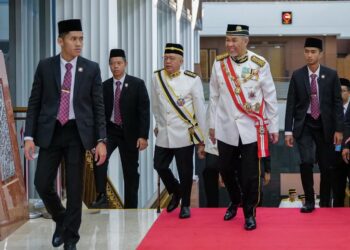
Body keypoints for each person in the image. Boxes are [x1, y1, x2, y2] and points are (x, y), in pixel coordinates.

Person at [24, 19, 107, 250]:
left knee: (74, 187)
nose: (79, 43)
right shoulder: (45, 66)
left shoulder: (91, 68)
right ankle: (61, 219)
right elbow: (35, 103)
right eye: (73, 39)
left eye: (81, 39)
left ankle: (71, 238)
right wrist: (28, 137)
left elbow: (99, 107)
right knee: (41, 182)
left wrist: (101, 140)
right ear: (60, 41)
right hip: (50, 132)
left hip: (76, 134)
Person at [208, 24, 279, 230]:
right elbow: (213, 97)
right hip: (225, 127)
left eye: (234, 40)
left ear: (246, 42)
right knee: (224, 169)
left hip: (251, 129)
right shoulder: (219, 64)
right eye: (227, 40)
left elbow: (270, 96)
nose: (230, 45)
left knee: (250, 175)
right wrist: (211, 125)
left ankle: (249, 212)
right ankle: (235, 199)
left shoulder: (259, 63)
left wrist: (273, 126)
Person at [285, 37, 343, 212]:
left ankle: (325, 201)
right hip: (305, 125)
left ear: (320, 54)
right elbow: (290, 104)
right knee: (306, 161)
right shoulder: (298, 75)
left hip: (326, 126)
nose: (309, 55)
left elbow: (337, 103)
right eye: (307, 51)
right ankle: (309, 201)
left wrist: (339, 129)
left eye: (313, 52)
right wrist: (288, 131)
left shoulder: (331, 75)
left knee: (326, 166)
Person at [90, 49, 150, 209]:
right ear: (109, 65)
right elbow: (99, 112)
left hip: (129, 133)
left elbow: (144, 111)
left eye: (119, 63)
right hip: (110, 131)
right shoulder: (104, 86)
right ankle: (101, 195)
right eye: (112, 64)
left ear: (125, 64)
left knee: (130, 171)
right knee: (99, 158)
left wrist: (143, 136)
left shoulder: (137, 84)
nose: (115, 67)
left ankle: (131, 206)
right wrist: (98, 137)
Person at [152, 43, 206, 219]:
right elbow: (155, 105)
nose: (167, 61)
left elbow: (199, 109)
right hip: (164, 132)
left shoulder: (192, 79)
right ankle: (175, 191)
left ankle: (186, 205)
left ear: (181, 61)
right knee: (159, 165)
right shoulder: (157, 77)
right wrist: (158, 124)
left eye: (172, 58)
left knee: (185, 170)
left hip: (184, 133)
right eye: (165, 58)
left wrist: (202, 139)